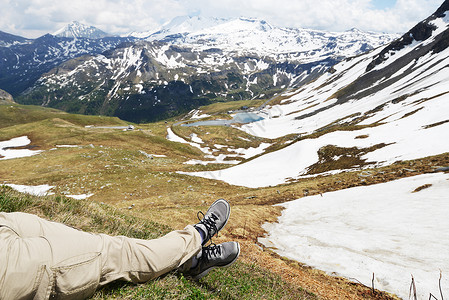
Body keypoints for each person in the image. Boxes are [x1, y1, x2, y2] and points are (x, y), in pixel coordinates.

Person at [0, 199, 240, 300]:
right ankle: (196, 237)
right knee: (115, 250)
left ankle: (190, 260)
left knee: (78, 239)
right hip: (9, 264)